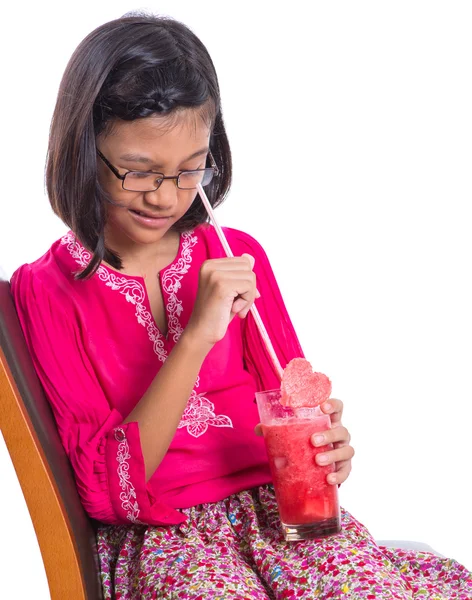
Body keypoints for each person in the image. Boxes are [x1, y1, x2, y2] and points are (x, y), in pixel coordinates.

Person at [10, 13, 471, 600]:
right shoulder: (49, 291)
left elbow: (294, 396)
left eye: (189, 169)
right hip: (166, 538)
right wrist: (196, 336)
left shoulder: (237, 254)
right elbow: (108, 492)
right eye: (139, 171)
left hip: (282, 515)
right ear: (82, 147)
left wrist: (327, 447)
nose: (166, 196)